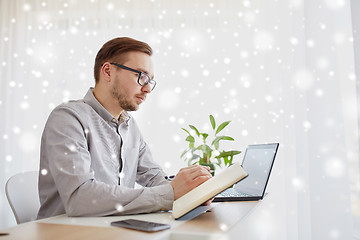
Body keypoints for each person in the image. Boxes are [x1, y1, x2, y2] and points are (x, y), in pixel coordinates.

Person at [37, 37, 212, 219]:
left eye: (150, 81)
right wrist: (171, 193)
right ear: (108, 72)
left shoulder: (129, 126)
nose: (148, 89)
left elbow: (153, 177)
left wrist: (191, 191)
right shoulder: (68, 118)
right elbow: (80, 198)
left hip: (112, 230)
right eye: (141, 76)